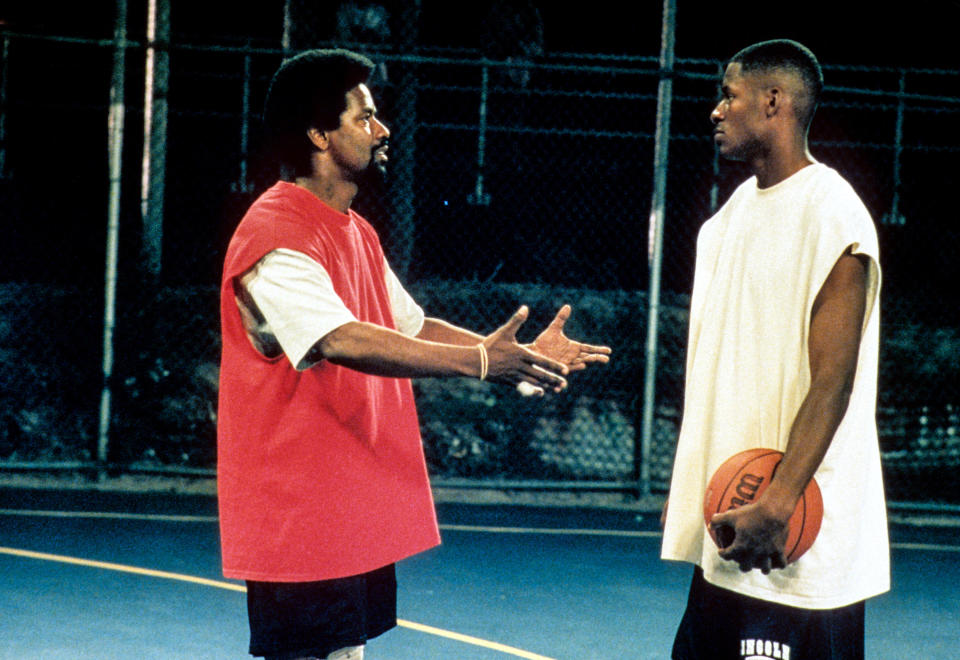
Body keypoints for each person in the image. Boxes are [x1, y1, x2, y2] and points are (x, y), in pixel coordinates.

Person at [217, 48, 611, 660]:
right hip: (298, 511)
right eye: (365, 117)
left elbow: (411, 323)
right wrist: (482, 363)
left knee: (345, 655)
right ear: (319, 134)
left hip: (341, 504)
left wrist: (514, 355)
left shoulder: (354, 230)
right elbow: (338, 337)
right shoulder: (275, 236)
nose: (382, 129)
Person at [660, 40, 888, 659]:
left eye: (728, 95)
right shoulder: (728, 219)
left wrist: (781, 499)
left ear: (774, 101)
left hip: (795, 542)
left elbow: (833, 380)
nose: (715, 110)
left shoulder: (833, 214)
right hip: (735, 528)